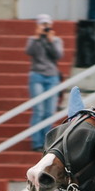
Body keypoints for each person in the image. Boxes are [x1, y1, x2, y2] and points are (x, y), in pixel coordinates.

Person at [26, 14, 64, 151]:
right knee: (39, 110)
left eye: (47, 24)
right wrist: (37, 37)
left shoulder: (56, 40)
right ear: (38, 25)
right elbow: (29, 51)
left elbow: (58, 55)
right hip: (37, 75)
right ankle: (36, 142)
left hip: (52, 77)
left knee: (49, 112)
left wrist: (50, 41)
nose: (45, 27)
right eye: (43, 24)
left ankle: (46, 141)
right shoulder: (33, 39)